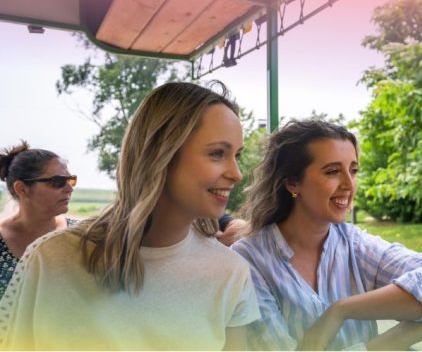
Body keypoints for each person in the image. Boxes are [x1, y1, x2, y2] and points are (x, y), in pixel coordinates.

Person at [0, 82, 259, 350]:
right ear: (161, 154)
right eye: (217, 153)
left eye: (236, 155)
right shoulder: (52, 259)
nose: (236, 173)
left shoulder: (231, 273)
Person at [232, 119, 422, 350]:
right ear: (293, 183)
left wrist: (340, 310)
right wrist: (392, 342)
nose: (349, 185)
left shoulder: (354, 244)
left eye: (354, 170)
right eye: (332, 172)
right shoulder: (248, 260)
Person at [0, 142, 77, 295]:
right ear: (22, 188)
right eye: (58, 181)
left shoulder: (81, 235)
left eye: (71, 180)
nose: (69, 188)